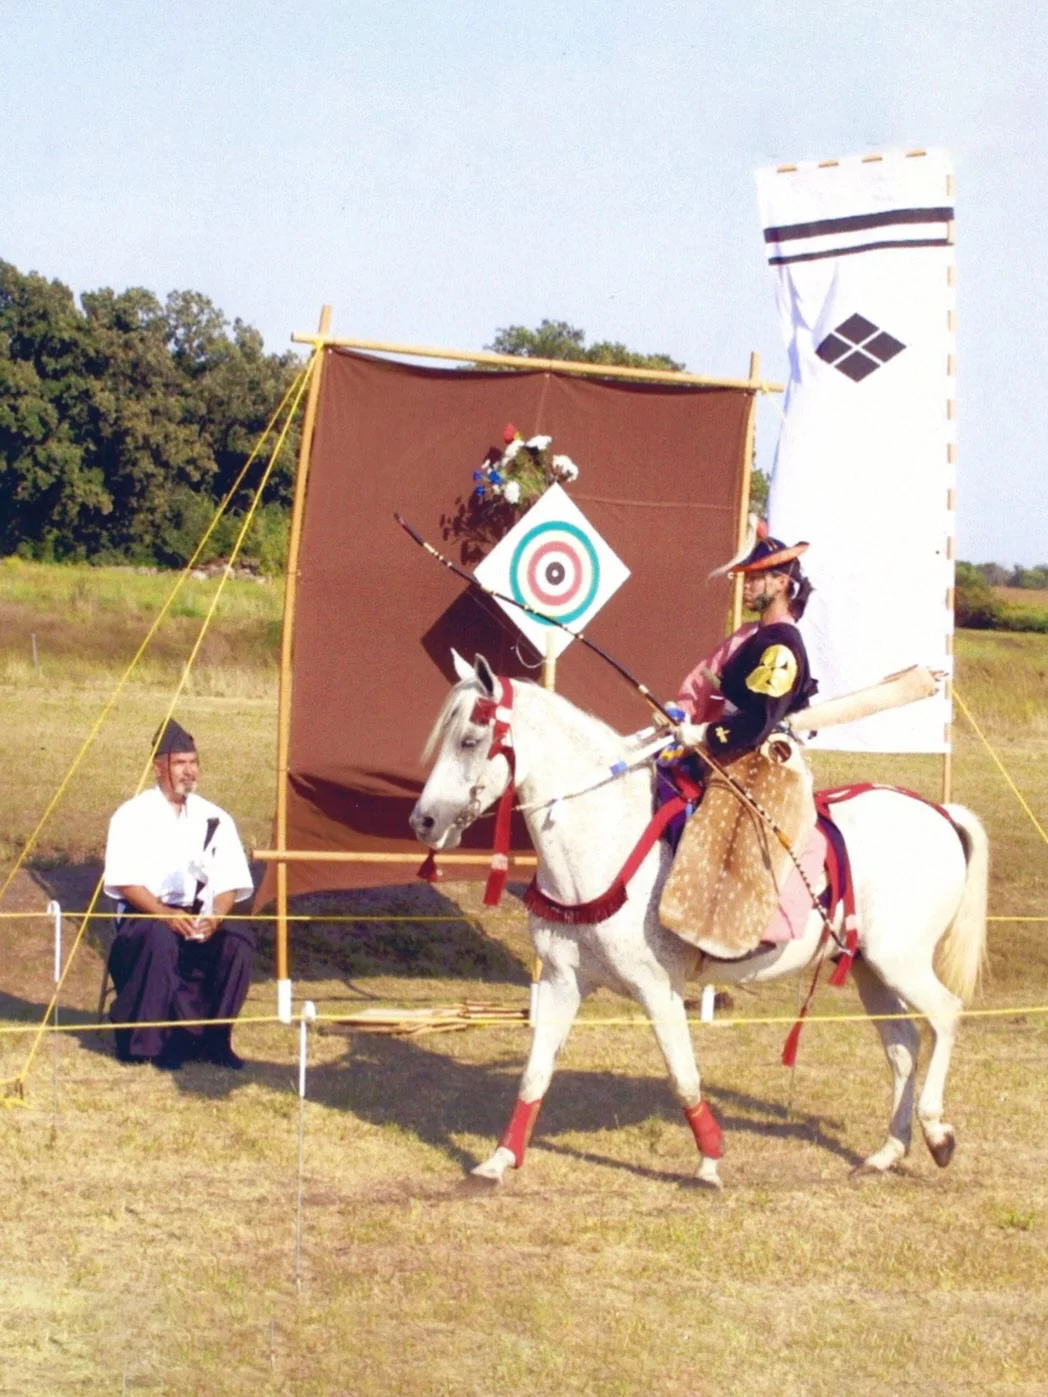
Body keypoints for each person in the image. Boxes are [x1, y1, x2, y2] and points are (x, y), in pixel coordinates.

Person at [103, 719, 255, 1070]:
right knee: (159, 936)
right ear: (159, 768)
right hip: (147, 916)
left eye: (193, 762)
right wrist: (165, 914)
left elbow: (230, 882)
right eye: (179, 763)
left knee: (238, 940)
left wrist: (215, 916)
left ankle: (214, 1041)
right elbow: (125, 881)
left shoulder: (215, 817)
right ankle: (146, 1045)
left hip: (197, 918)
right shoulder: (131, 815)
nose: (189, 771)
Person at [674, 527, 817, 755]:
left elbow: (758, 722)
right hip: (724, 750)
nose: (746, 586)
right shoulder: (749, 634)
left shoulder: (782, 647)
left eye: (755, 579)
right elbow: (703, 677)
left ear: (781, 583)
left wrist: (704, 734)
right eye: (747, 578)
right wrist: (681, 713)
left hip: (757, 763)